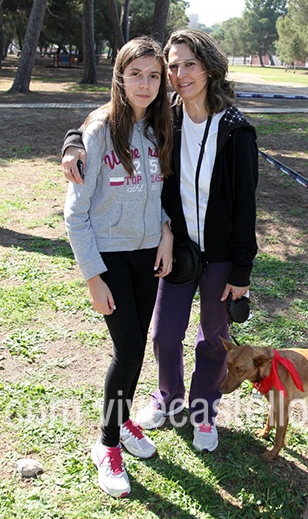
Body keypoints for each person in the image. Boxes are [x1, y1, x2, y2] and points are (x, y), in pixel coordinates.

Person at [62, 29, 258, 454]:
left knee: (212, 338)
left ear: (209, 69)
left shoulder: (236, 131)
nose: (179, 74)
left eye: (190, 64)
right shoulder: (165, 117)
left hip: (221, 257)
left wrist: (242, 271)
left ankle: (203, 411)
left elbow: (246, 208)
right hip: (176, 250)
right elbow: (108, 115)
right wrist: (73, 141)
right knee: (163, 336)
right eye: (173, 66)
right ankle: (168, 399)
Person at [64, 36, 174, 498]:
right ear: (120, 77)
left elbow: (160, 194)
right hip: (109, 259)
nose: (145, 85)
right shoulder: (98, 131)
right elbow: (75, 213)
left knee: (134, 348)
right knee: (127, 350)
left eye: (154, 76)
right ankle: (107, 444)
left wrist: (165, 231)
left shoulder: (159, 128)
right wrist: (93, 276)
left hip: (147, 255)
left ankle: (123, 418)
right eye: (136, 75)